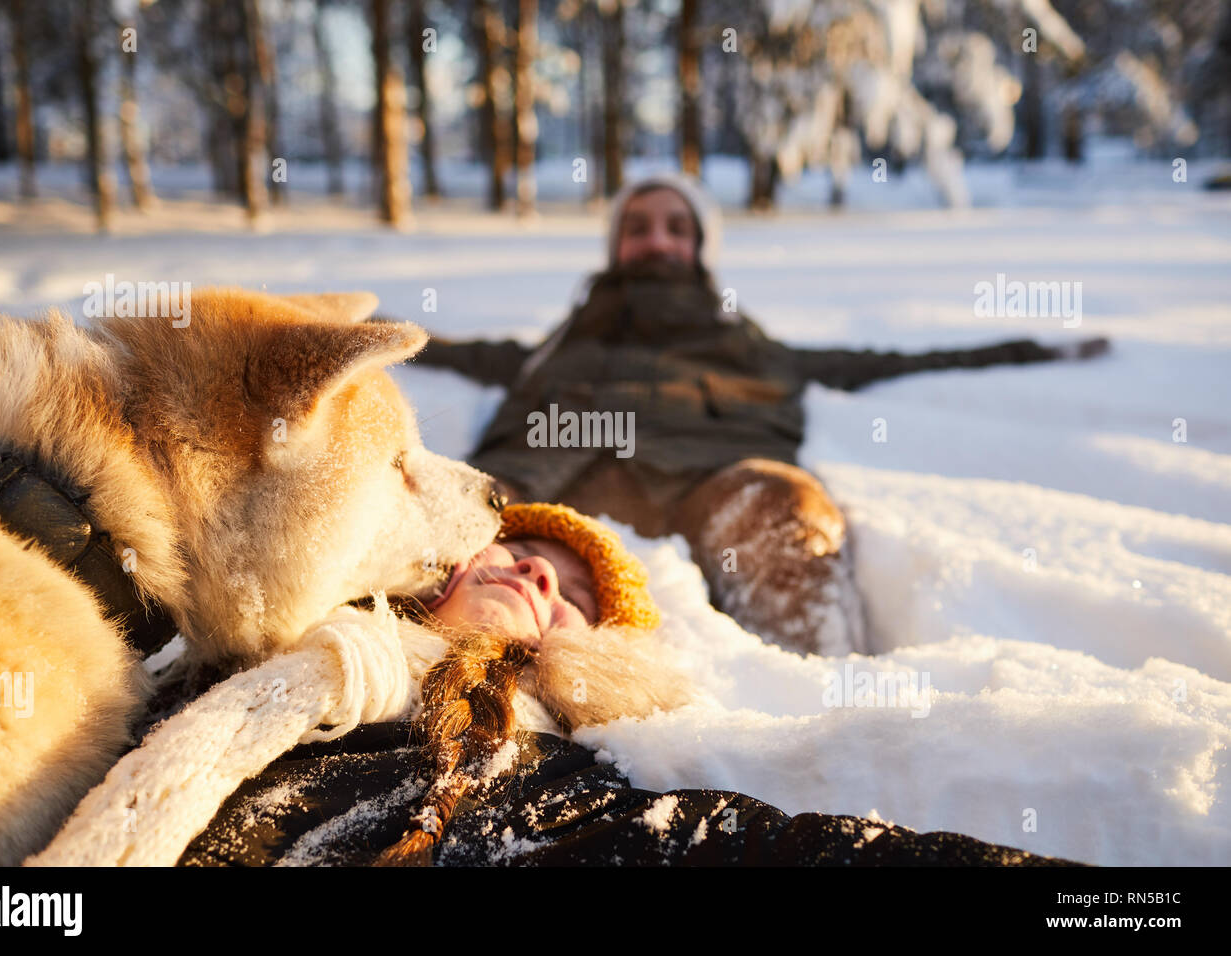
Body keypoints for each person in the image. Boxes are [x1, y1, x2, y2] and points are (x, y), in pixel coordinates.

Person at [410, 173, 1109, 656]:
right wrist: (338, 330)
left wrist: (1027, 346)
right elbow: (446, 350)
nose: (657, 240)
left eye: (676, 227)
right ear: (616, 244)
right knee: (474, 561)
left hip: (708, 483)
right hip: (570, 495)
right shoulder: (565, 341)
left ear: (700, 247)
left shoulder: (747, 345)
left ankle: (817, 729)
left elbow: (876, 362)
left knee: (779, 507)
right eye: (639, 226)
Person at [175, 503, 1079, 867]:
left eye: (569, 600)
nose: (537, 580)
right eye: (526, 555)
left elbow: (748, 852)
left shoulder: (527, 778)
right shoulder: (234, 626)